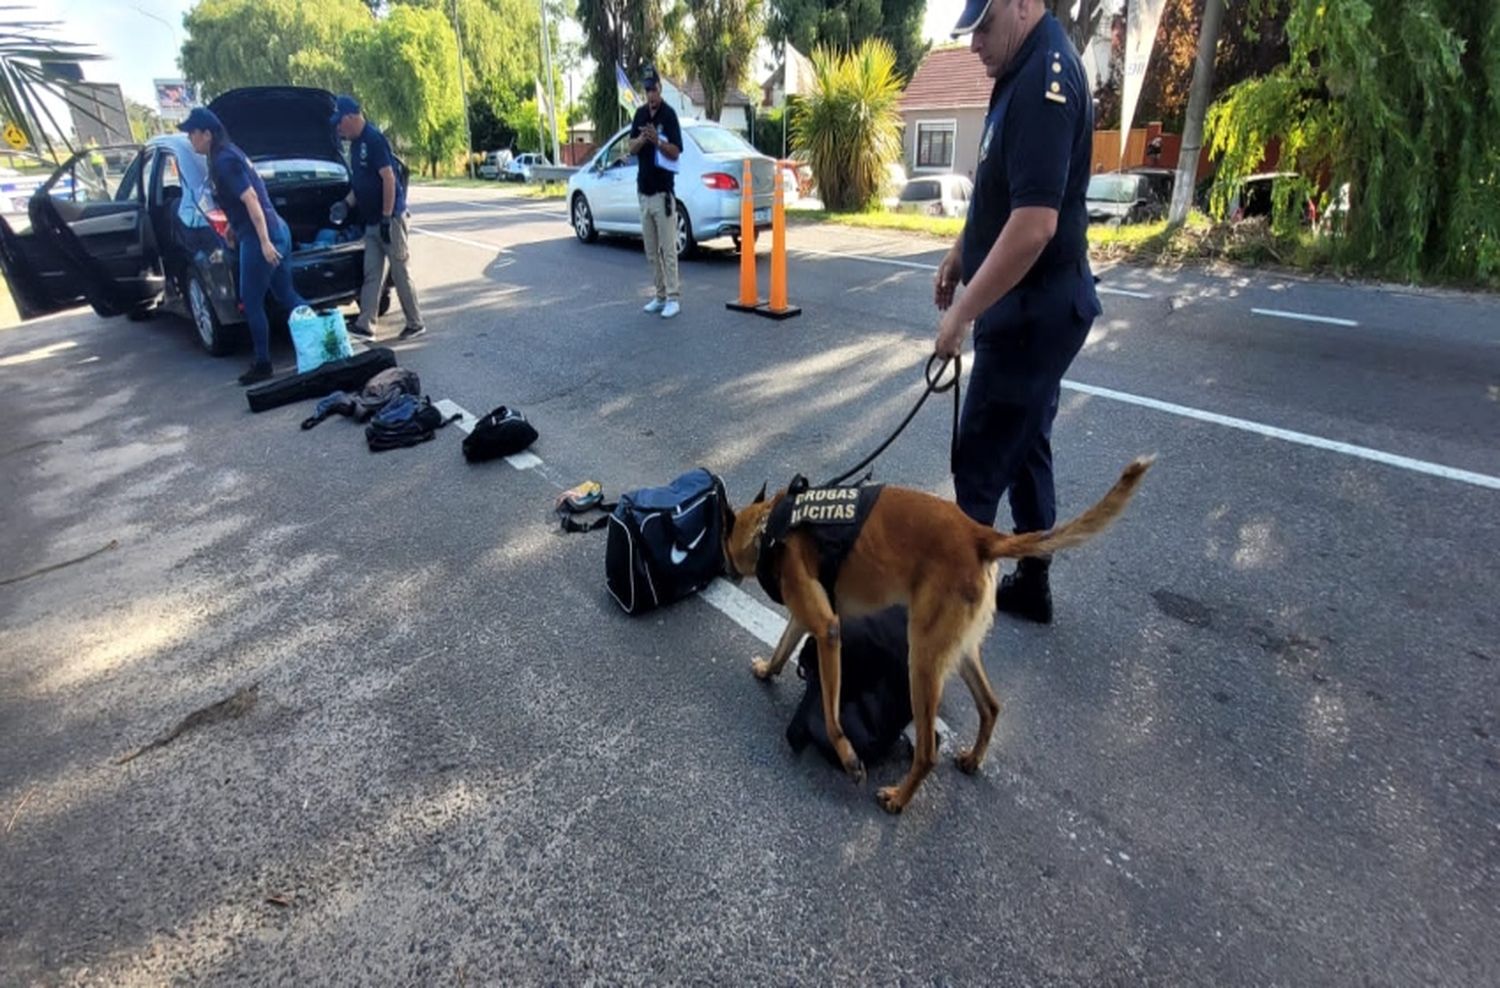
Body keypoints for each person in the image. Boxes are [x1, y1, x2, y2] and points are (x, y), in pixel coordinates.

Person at [932, 0, 1102, 625]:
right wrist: (960, 253)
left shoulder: (1044, 81)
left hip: (1033, 310)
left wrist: (961, 316)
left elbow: (1033, 227)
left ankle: (945, 622)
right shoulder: (1017, 67)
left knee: (979, 460)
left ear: (1026, 5)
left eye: (984, 25)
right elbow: (999, 193)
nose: (974, 43)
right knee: (1026, 439)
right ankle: (1032, 581)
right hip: (1030, 302)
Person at [179, 107, 307, 386]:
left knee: (251, 302)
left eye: (193, 134)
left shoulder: (224, 160)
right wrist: (234, 233)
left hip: (262, 234)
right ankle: (321, 339)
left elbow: (251, 200)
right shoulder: (228, 154)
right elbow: (243, 202)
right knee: (286, 293)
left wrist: (262, 242)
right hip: (275, 228)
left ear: (207, 134)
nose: (190, 139)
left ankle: (263, 363)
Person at [330, 95, 425, 341]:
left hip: (390, 219)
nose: (338, 129)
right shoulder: (355, 146)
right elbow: (360, 184)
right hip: (371, 221)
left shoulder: (373, 140)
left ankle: (415, 323)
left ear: (350, 117)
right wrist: (346, 204)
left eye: (340, 123)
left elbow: (389, 179)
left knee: (400, 271)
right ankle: (366, 324)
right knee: (371, 272)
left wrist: (386, 218)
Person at [625, 65, 683, 319]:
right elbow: (631, 147)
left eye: (654, 90)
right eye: (647, 90)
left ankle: (673, 297)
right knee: (650, 251)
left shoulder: (669, 116)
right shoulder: (639, 115)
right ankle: (659, 295)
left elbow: (677, 150)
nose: (651, 95)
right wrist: (642, 139)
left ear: (660, 89)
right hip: (644, 192)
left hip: (663, 193)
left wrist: (658, 141)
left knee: (668, 250)